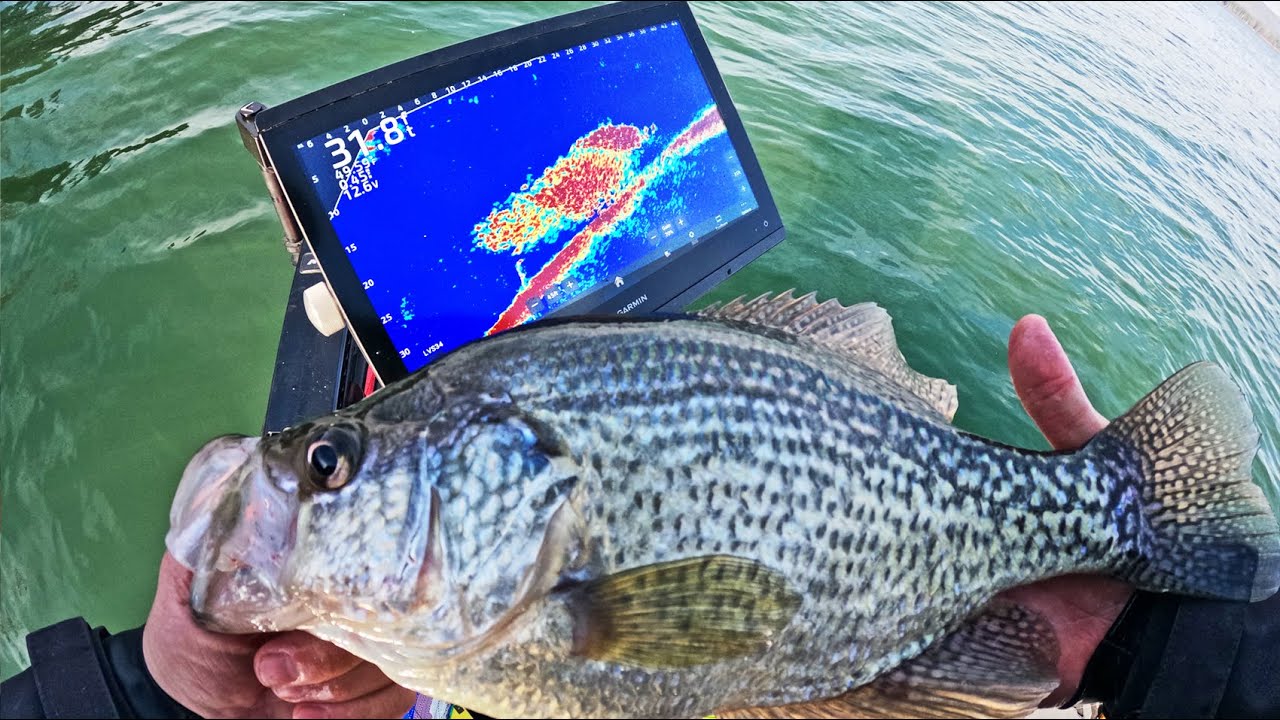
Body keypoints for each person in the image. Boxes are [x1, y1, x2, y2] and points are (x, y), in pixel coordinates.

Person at [3, 315, 1277, 719]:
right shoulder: (468, 623)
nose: (290, 487)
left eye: (331, 467)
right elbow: (721, 620)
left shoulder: (545, 613)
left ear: (521, 475)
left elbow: (718, 615)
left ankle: (1125, 514)